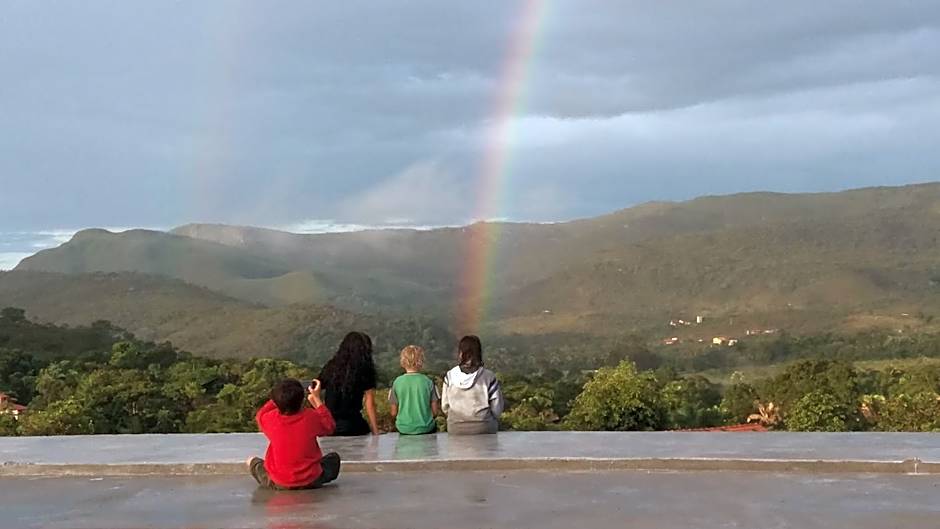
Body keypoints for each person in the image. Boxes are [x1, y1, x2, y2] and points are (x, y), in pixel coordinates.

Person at [248, 378, 341, 490]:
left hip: (279, 482)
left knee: (251, 461)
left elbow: (260, 415)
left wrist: (278, 398)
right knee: (333, 458)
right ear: (302, 401)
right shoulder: (311, 417)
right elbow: (330, 426)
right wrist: (317, 400)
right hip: (311, 480)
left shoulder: (269, 419)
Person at [318, 331, 380, 436]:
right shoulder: (365, 369)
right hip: (354, 425)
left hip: (330, 426)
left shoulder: (331, 367)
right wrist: (375, 431)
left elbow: (315, 389)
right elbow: (369, 403)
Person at [441, 335, 505, 435]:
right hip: (484, 427)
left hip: (455, 427)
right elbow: (497, 409)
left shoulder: (450, 376)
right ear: (478, 353)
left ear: (460, 353)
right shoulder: (488, 376)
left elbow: (444, 406)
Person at [388, 345, 440, 435]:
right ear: (421, 362)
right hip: (426, 427)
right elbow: (435, 412)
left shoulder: (397, 382)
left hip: (404, 428)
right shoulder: (428, 382)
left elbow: (393, 413)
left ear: (403, 361)